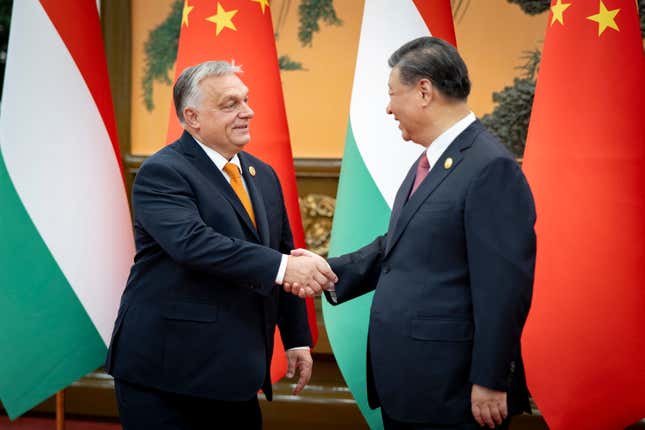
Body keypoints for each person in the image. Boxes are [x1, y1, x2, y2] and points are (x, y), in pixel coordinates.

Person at [289, 37, 536, 429]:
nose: (389, 108)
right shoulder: (431, 161)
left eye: (392, 94)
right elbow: (402, 245)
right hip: (412, 384)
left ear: (424, 90)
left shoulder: (490, 168)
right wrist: (330, 271)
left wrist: (490, 379)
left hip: (455, 390)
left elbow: (504, 287)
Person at [105, 60, 337, 430]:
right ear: (192, 117)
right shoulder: (163, 172)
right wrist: (283, 267)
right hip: (167, 376)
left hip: (236, 373)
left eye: (245, 100)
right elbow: (193, 243)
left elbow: (283, 250)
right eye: (230, 104)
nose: (248, 112)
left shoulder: (262, 174)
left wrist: (296, 338)